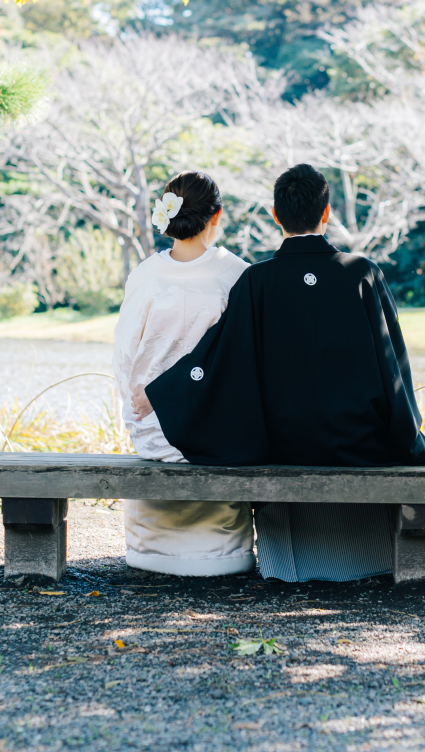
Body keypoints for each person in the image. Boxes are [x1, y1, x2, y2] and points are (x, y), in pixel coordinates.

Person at [134, 163, 425, 583]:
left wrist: (162, 392)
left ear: (275, 216)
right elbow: (394, 369)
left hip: (283, 446)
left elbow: (218, 360)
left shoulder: (257, 281)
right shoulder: (362, 274)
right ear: (326, 212)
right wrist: (409, 435)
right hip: (359, 443)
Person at [113, 170, 255, 577]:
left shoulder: (146, 274)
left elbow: (125, 357)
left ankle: (151, 548)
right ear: (217, 215)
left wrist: (137, 403)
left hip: (153, 428)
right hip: (217, 431)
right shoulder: (237, 274)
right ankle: (223, 549)